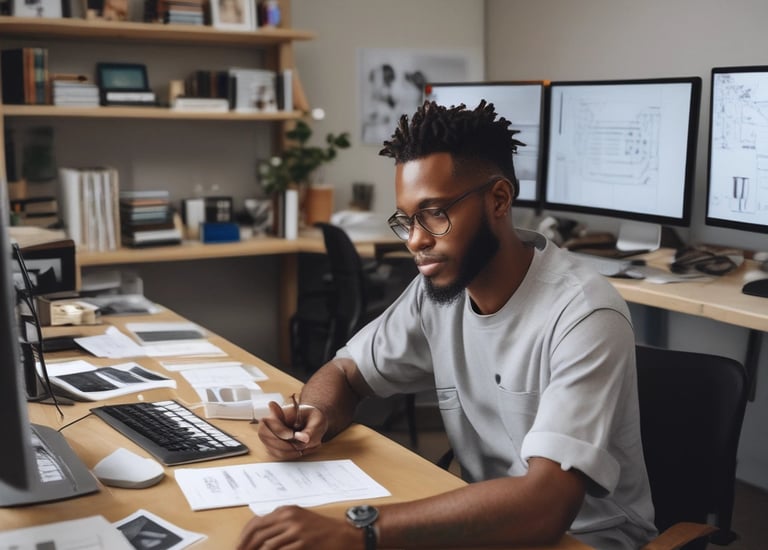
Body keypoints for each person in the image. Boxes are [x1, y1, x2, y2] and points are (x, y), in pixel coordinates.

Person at [237, 100, 657, 550]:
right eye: (407, 220)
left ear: (499, 200)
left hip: (583, 539)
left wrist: (361, 528)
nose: (416, 240)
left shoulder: (584, 314)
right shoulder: (439, 291)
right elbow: (345, 371)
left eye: (435, 213)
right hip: (488, 528)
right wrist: (315, 412)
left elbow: (547, 505)